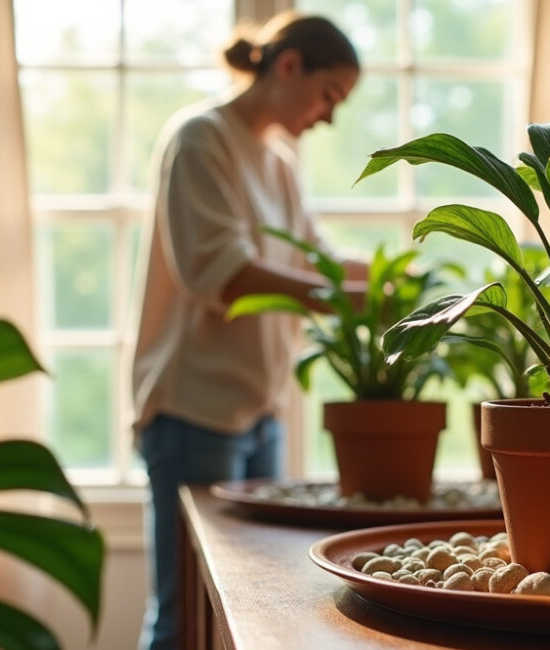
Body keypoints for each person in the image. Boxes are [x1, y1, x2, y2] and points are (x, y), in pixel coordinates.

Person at [130, 13, 363, 650]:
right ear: (288, 66)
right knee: (182, 618)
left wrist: (409, 286)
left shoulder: (279, 161)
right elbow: (221, 274)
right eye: (328, 95)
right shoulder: (201, 139)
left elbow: (317, 256)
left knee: (245, 609)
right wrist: (354, 303)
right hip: (193, 410)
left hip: (260, 411)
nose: (329, 116)